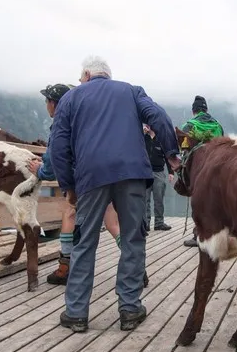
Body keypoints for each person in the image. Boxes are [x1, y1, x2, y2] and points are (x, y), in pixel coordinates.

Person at [46, 56, 180, 334]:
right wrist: (171, 154)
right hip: (132, 173)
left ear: (86, 74)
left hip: (91, 176)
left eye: (81, 77)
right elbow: (159, 117)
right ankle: (130, 309)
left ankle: (76, 313)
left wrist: (68, 185)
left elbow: (58, 144)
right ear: (107, 75)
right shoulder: (131, 91)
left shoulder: (71, 98)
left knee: (84, 241)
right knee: (133, 239)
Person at [37, 83, 139, 286]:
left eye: (47, 100)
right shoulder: (85, 119)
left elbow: (55, 156)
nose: (46, 104)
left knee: (70, 213)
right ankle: (136, 266)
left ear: (54, 104)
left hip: (82, 179)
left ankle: (65, 268)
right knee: (112, 223)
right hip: (107, 175)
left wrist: (40, 172)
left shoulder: (61, 122)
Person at [181, 95, 224, 247]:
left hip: (197, 171)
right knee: (214, 203)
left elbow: (184, 148)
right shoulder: (217, 126)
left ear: (194, 111)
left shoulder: (189, 126)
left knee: (198, 203)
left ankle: (198, 235)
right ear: (206, 110)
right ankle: (216, 235)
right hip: (217, 169)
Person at [143, 124, 172, 232]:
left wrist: (171, 172)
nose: (148, 126)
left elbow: (167, 156)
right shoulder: (142, 138)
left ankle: (159, 223)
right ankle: (145, 223)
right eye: (147, 124)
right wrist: (142, 134)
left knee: (159, 199)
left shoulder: (161, 139)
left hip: (159, 172)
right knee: (145, 199)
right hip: (144, 173)